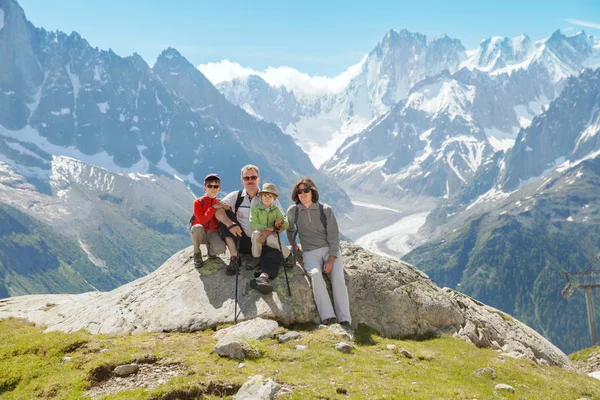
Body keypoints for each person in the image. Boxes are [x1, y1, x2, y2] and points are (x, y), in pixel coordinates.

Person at [287, 177, 351, 326]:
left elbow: (334, 236)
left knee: (338, 279)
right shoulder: (294, 211)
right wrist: (293, 243)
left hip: (329, 250)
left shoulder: (325, 210)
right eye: (299, 191)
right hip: (309, 252)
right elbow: (289, 228)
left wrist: (331, 260)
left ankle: (344, 318)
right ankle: (328, 317)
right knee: (316, 275)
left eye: (306, 190)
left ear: (312, 192)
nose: (302, 194)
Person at [214, 165, 291, 275]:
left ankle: (263, 278)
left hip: (263, 239)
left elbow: (283, 221)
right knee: (225, 214)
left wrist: (269, 231)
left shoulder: (269, 197)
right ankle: (234, 257)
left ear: (258, 179)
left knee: (274, 254)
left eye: (253, 177)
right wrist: (230, 224)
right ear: (242, 181)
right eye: (246, 178)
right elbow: (217, 211)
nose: (250, 180)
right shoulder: (236, 196)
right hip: (243, 240)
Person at [249, 183, 290, 293]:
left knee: (272, 239)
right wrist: (268, 228)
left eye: (270, 196)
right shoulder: (256, 208)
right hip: (261, 233)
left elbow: (286, 223)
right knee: (256, 234)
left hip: (271, 237)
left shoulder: (276, 209)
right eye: (265, 195)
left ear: (274, 199)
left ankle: (287, 255)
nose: (267, 198)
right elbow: (253, 223)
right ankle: (256, 257)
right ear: (261, 197)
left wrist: (281, 221)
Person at [190, 173, 235, 268]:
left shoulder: (220, 202)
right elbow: (202, 221)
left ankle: (211, 251)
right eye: (209, 186)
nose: (213, 189)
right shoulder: (198, 202)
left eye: (216, 186)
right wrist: (213, 207)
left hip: (213, 231)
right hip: (200, 231)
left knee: (221, 248)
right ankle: (197, 254)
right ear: (205, 188)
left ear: (219, 189)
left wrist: (226, 209)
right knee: (197, 227)